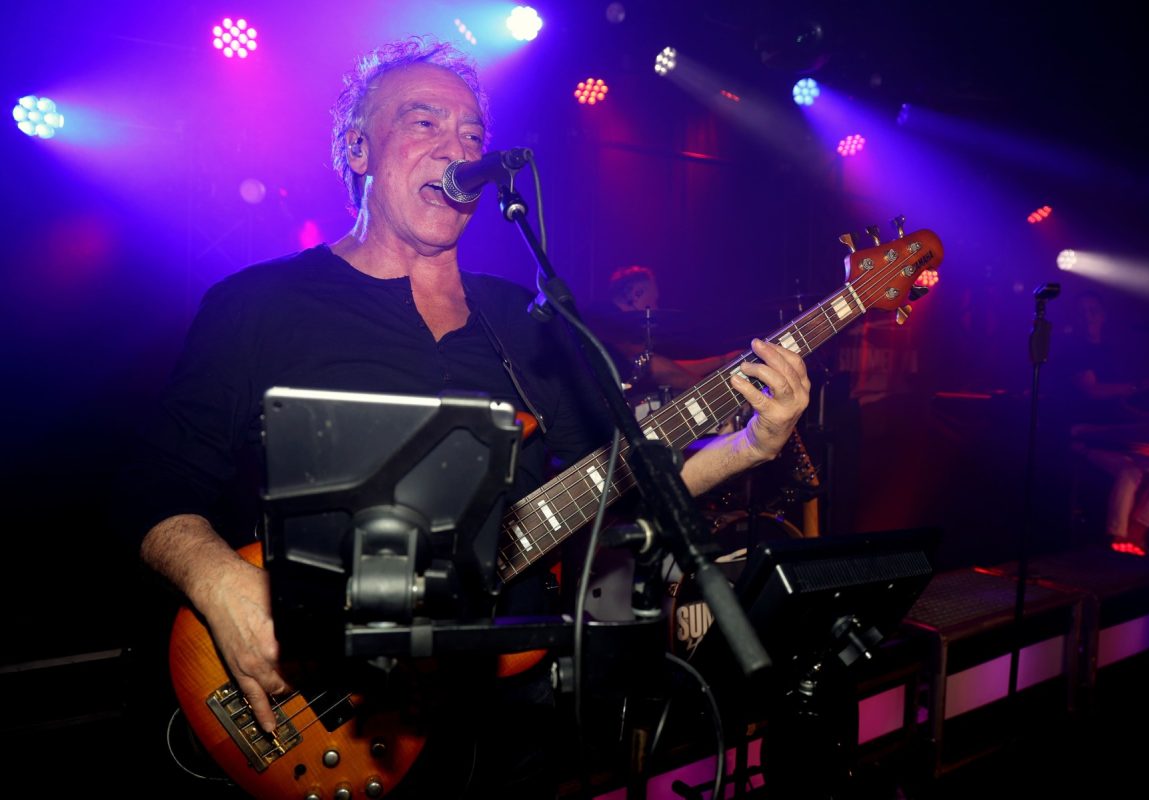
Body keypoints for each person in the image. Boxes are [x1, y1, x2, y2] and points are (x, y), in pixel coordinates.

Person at [115, 36, 810, 798]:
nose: (459, 149)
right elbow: (152, 487)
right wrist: (219, 584)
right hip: (314, 704)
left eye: (473, 135)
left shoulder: (527, 320)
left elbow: (621, 479)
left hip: (501, 727)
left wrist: (748, 445)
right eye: (425, 123)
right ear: (357, 149)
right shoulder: (257, 306)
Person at [1059, 289, 1149, 555]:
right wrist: (1136, 387)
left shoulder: (1111, 352)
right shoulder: (1074, 350)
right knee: (1130, 472)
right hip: (1085, 433)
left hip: (1114, 435)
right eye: (1082, 312)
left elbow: (1121, 405)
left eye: (1092, 310)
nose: (1088, 316)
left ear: (1103, 315)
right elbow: (1092, 390)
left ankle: (1137, 530)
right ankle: (1118, 539)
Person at [600, 264, 741, 416]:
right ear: (636, 294)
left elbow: (669, 368)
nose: (656, 307)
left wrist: (723, 360)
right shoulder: (604, 323)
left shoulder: (618, 329)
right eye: (654, 300)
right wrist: (714, 392)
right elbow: (657, 368)